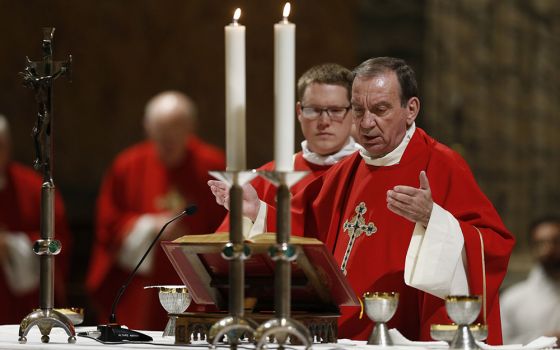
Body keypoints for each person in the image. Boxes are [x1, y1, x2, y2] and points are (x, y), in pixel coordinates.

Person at [209, 57, 514, 343]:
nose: (366, 123)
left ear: (411, 109)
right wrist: (256, 209)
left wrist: (434, 220)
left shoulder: (441, 164)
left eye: (380, 110)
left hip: (405, 337)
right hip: (342, 335)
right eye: (358, 110)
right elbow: (306, 232)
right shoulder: (346, 170)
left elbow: (494, 244)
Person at [86, 91, 227, 330]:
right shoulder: (127, 166)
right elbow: (108, 225)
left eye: (176, 127)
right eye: (160, 128)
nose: (168, 136)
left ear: (192, 127)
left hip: (196, 280)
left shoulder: (213, 165)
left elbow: (229, 222)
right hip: (140, 287)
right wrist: (150, 226)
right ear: (147, 127)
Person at [211, 63, 361, 233]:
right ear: (299, 112)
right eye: (314, 110)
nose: (324, 122)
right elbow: (228, 249)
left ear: (354, 112)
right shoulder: (265, 179)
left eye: (336, 110)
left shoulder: (367, 172)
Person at [0, 114, 72, 324]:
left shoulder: (35, 189)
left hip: (21, 302)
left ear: (7, 147)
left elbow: (59, 243)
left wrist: (13, 246)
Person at [500, 216, 560, 344]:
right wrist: (544, 341)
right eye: (541, 243)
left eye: (556, 241)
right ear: (533, 248)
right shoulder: (512, 300)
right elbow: (500, 344)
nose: (549, 249)